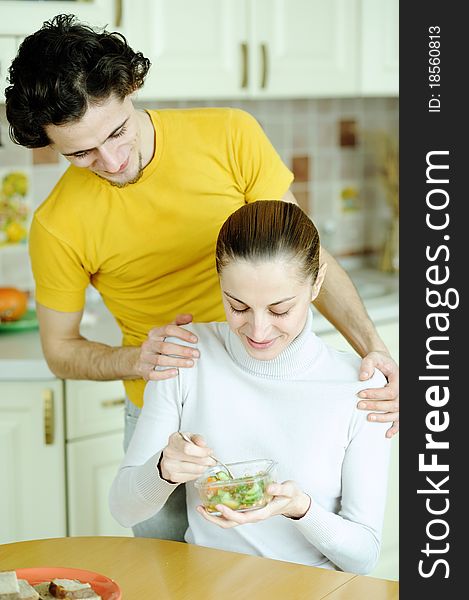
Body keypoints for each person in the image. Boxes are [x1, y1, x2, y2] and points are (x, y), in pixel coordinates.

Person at [5, 14, 399, 542]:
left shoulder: (229, 134)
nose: (112, 159)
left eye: (117, 131)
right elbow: (61, 350)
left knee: (299, 554)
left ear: (131, 87)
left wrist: (374, 348)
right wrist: (136, 360)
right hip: (166, 418)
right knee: (170, 577)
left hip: (275, 394)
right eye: (80, 153)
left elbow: (301, 255)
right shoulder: (56, 225)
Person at [109, 201, 391, 573]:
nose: (258, 332)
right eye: (238, 306)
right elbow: (123, 509)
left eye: (279, 310)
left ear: (317, 282)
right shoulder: (186, 356)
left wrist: (301, 509)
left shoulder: (360, 388)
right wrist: (162, 470)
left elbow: (364, 556)